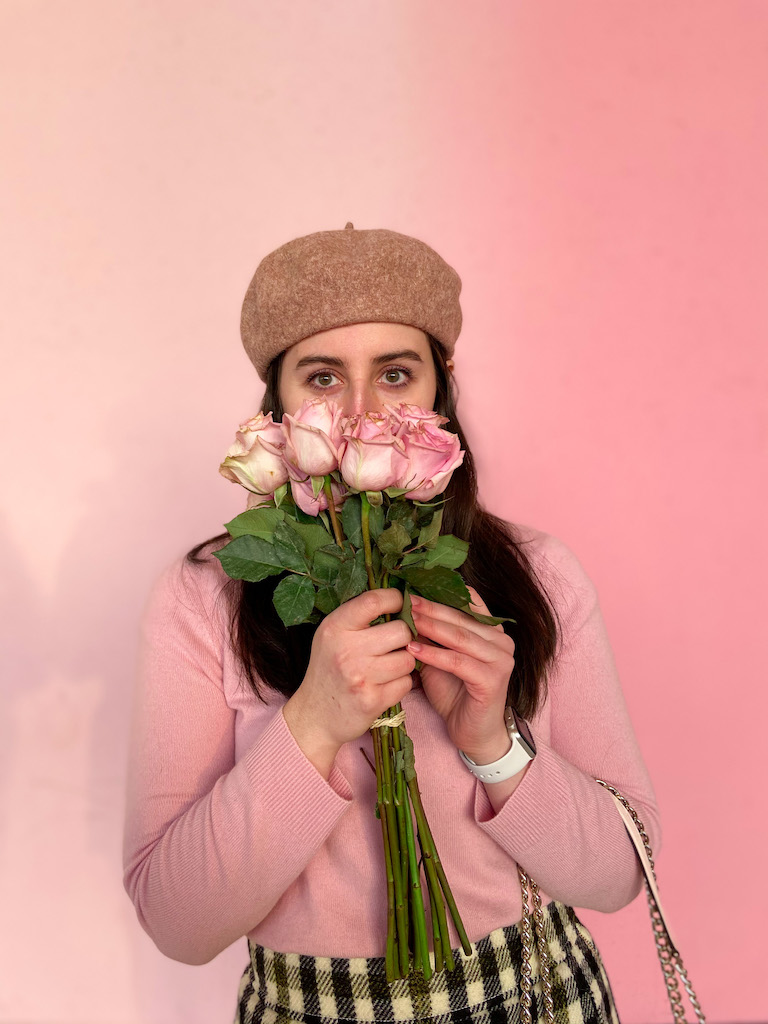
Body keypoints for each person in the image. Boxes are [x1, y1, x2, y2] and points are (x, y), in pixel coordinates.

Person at [123, 223, 660, 1024]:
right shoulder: (200, 599)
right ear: (278, 406)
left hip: (539, 998)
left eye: (397, 374)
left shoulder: (540, 573)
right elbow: (177, 923)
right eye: (324, 378)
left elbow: (620, 875)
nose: (365, 413)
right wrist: (312, 723)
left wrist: (492, 742)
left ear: (440, 390)